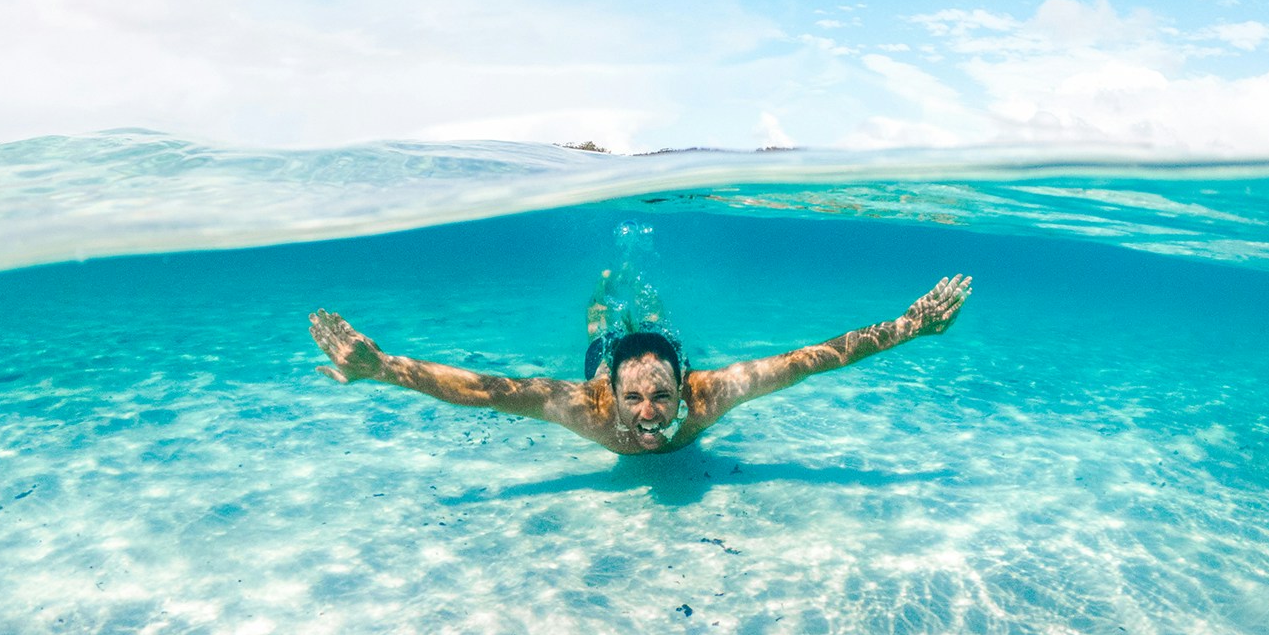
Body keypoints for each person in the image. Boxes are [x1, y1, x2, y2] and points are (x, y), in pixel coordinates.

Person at [309, 274, 971, 456]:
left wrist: (909, 327)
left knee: (654, 326)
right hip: (606, 362)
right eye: (635, 402)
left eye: (661, 397)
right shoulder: (590, 404)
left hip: (658, 357)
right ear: (614, 397)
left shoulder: (712, 394)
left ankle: (645, 310)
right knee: (603, 332)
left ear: (686, 386)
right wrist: (383, 366)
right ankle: (607, 303)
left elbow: (807, 362)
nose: (649, 416)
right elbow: (489, 391)